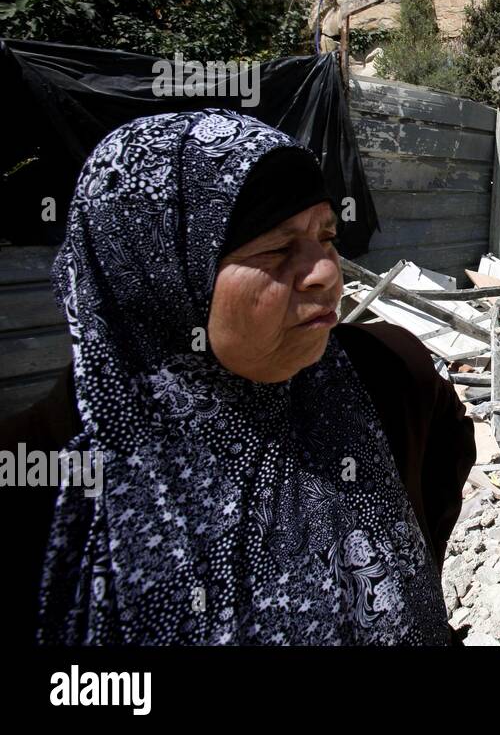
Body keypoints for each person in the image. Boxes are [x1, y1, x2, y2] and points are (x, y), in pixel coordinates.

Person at [0, 110, 474, 645]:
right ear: (160, 279)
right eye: (276, 249)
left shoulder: (388, 375)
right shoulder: (41, 474)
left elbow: (441, 476)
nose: (326, 273)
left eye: (327, 236)